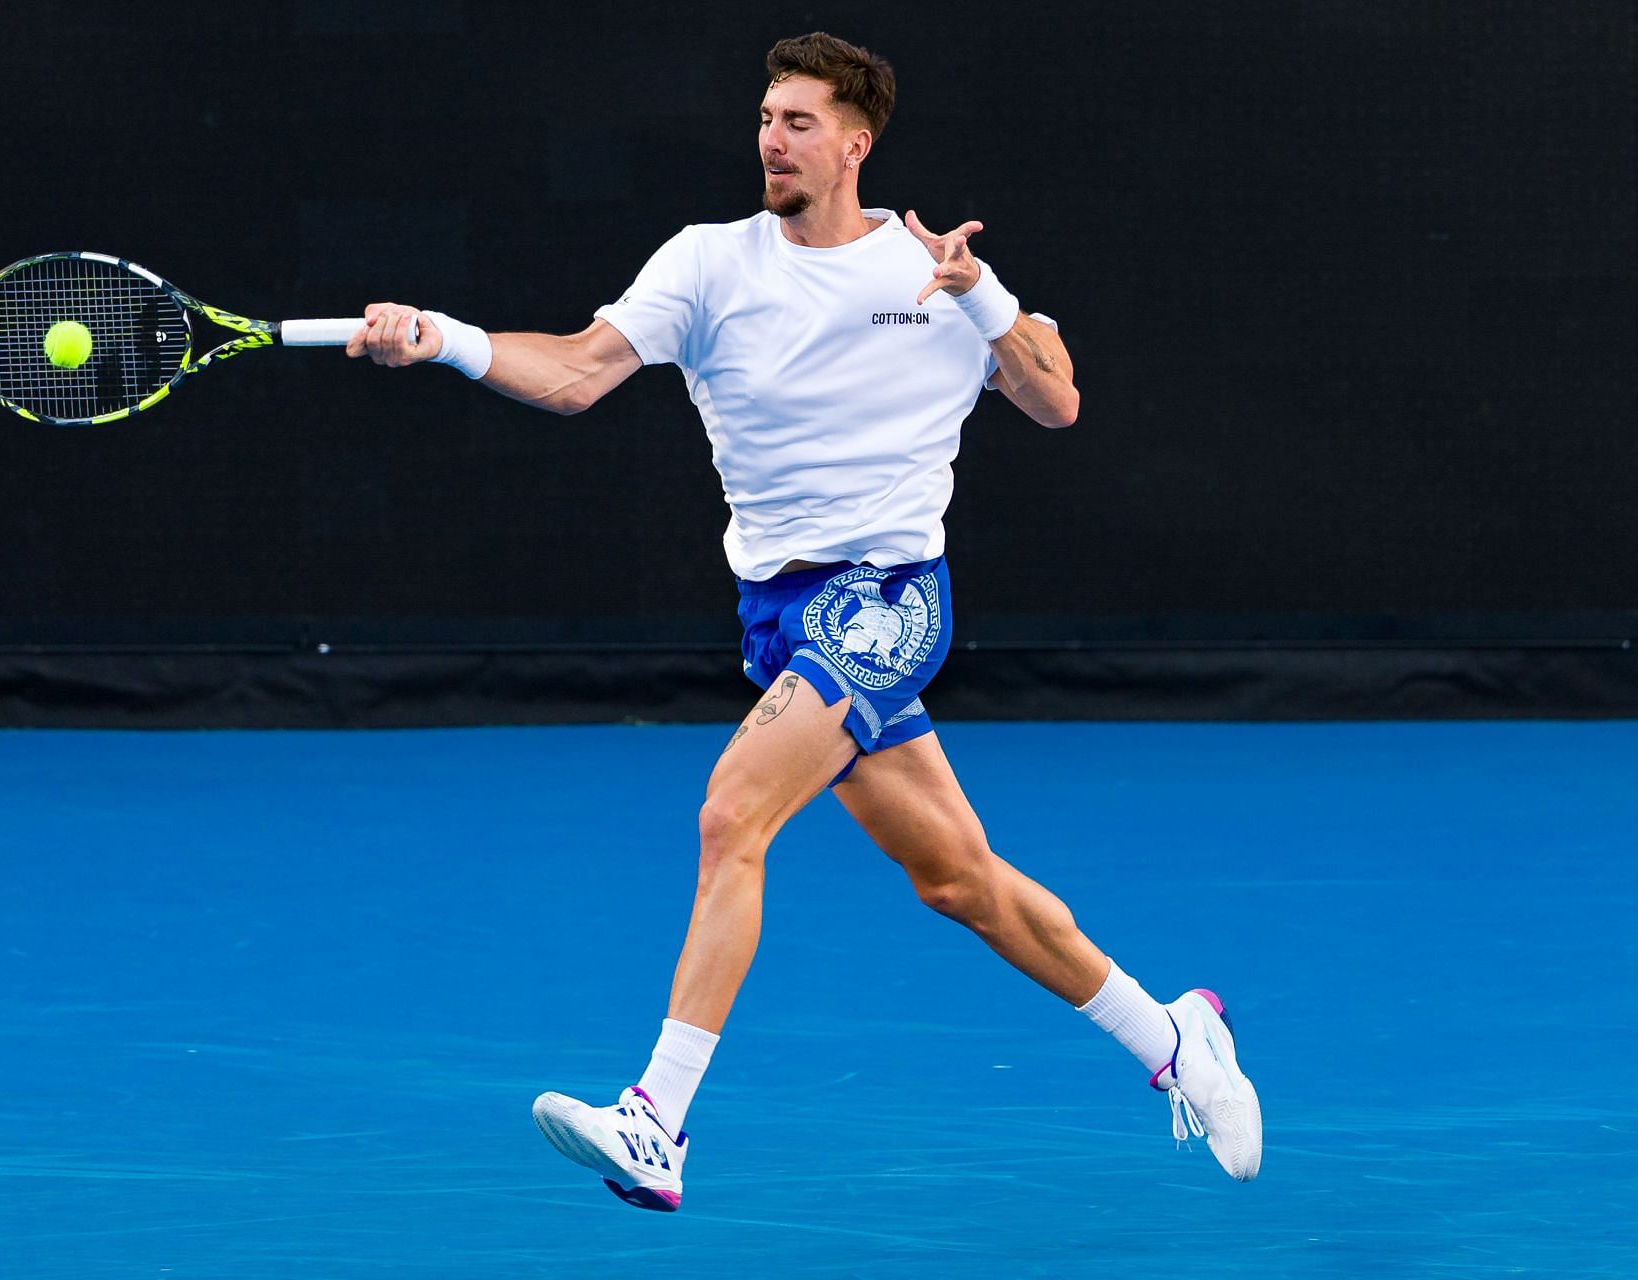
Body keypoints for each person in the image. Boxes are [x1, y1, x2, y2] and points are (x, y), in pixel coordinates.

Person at [347, 31, 1261, 1211]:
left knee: (734, 812)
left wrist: (979, 296)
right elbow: (576, 372)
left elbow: (1056, 398)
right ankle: (1174, 1035)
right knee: (960, 879)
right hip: (777, 611)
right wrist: (445, 338)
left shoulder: (931, 272)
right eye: (767, 118)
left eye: (799, 122)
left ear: (855, 144)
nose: (772, 138)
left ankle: (657, 1117)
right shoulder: (708, 263)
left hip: (888, 596)